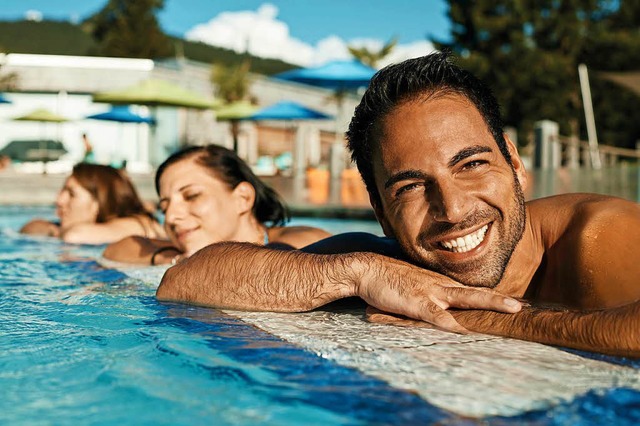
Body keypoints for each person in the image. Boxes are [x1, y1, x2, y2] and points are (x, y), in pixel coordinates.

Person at [155, 52, 639, 357]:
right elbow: (183, 280)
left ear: (514, 162)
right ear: (380, 210)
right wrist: (359, 273)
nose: (451, 209)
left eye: (471, 164)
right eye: (409, 187)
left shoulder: (597, 236)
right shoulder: (382, 265)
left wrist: (475, 319)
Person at [103, 145, 331, 265]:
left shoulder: (301, 241)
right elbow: (119, 248)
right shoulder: (180, 252)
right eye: (165, 206)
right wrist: (175, 259)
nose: (171, 217)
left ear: (242, 198)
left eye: (191, 196)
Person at [20, 163, 165, 244]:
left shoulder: (140, 225)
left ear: (100, 203)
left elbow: (75, 236)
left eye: (71, 194)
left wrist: (58, 232)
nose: (59, 200)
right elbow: (30, 227)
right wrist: (56, 230)